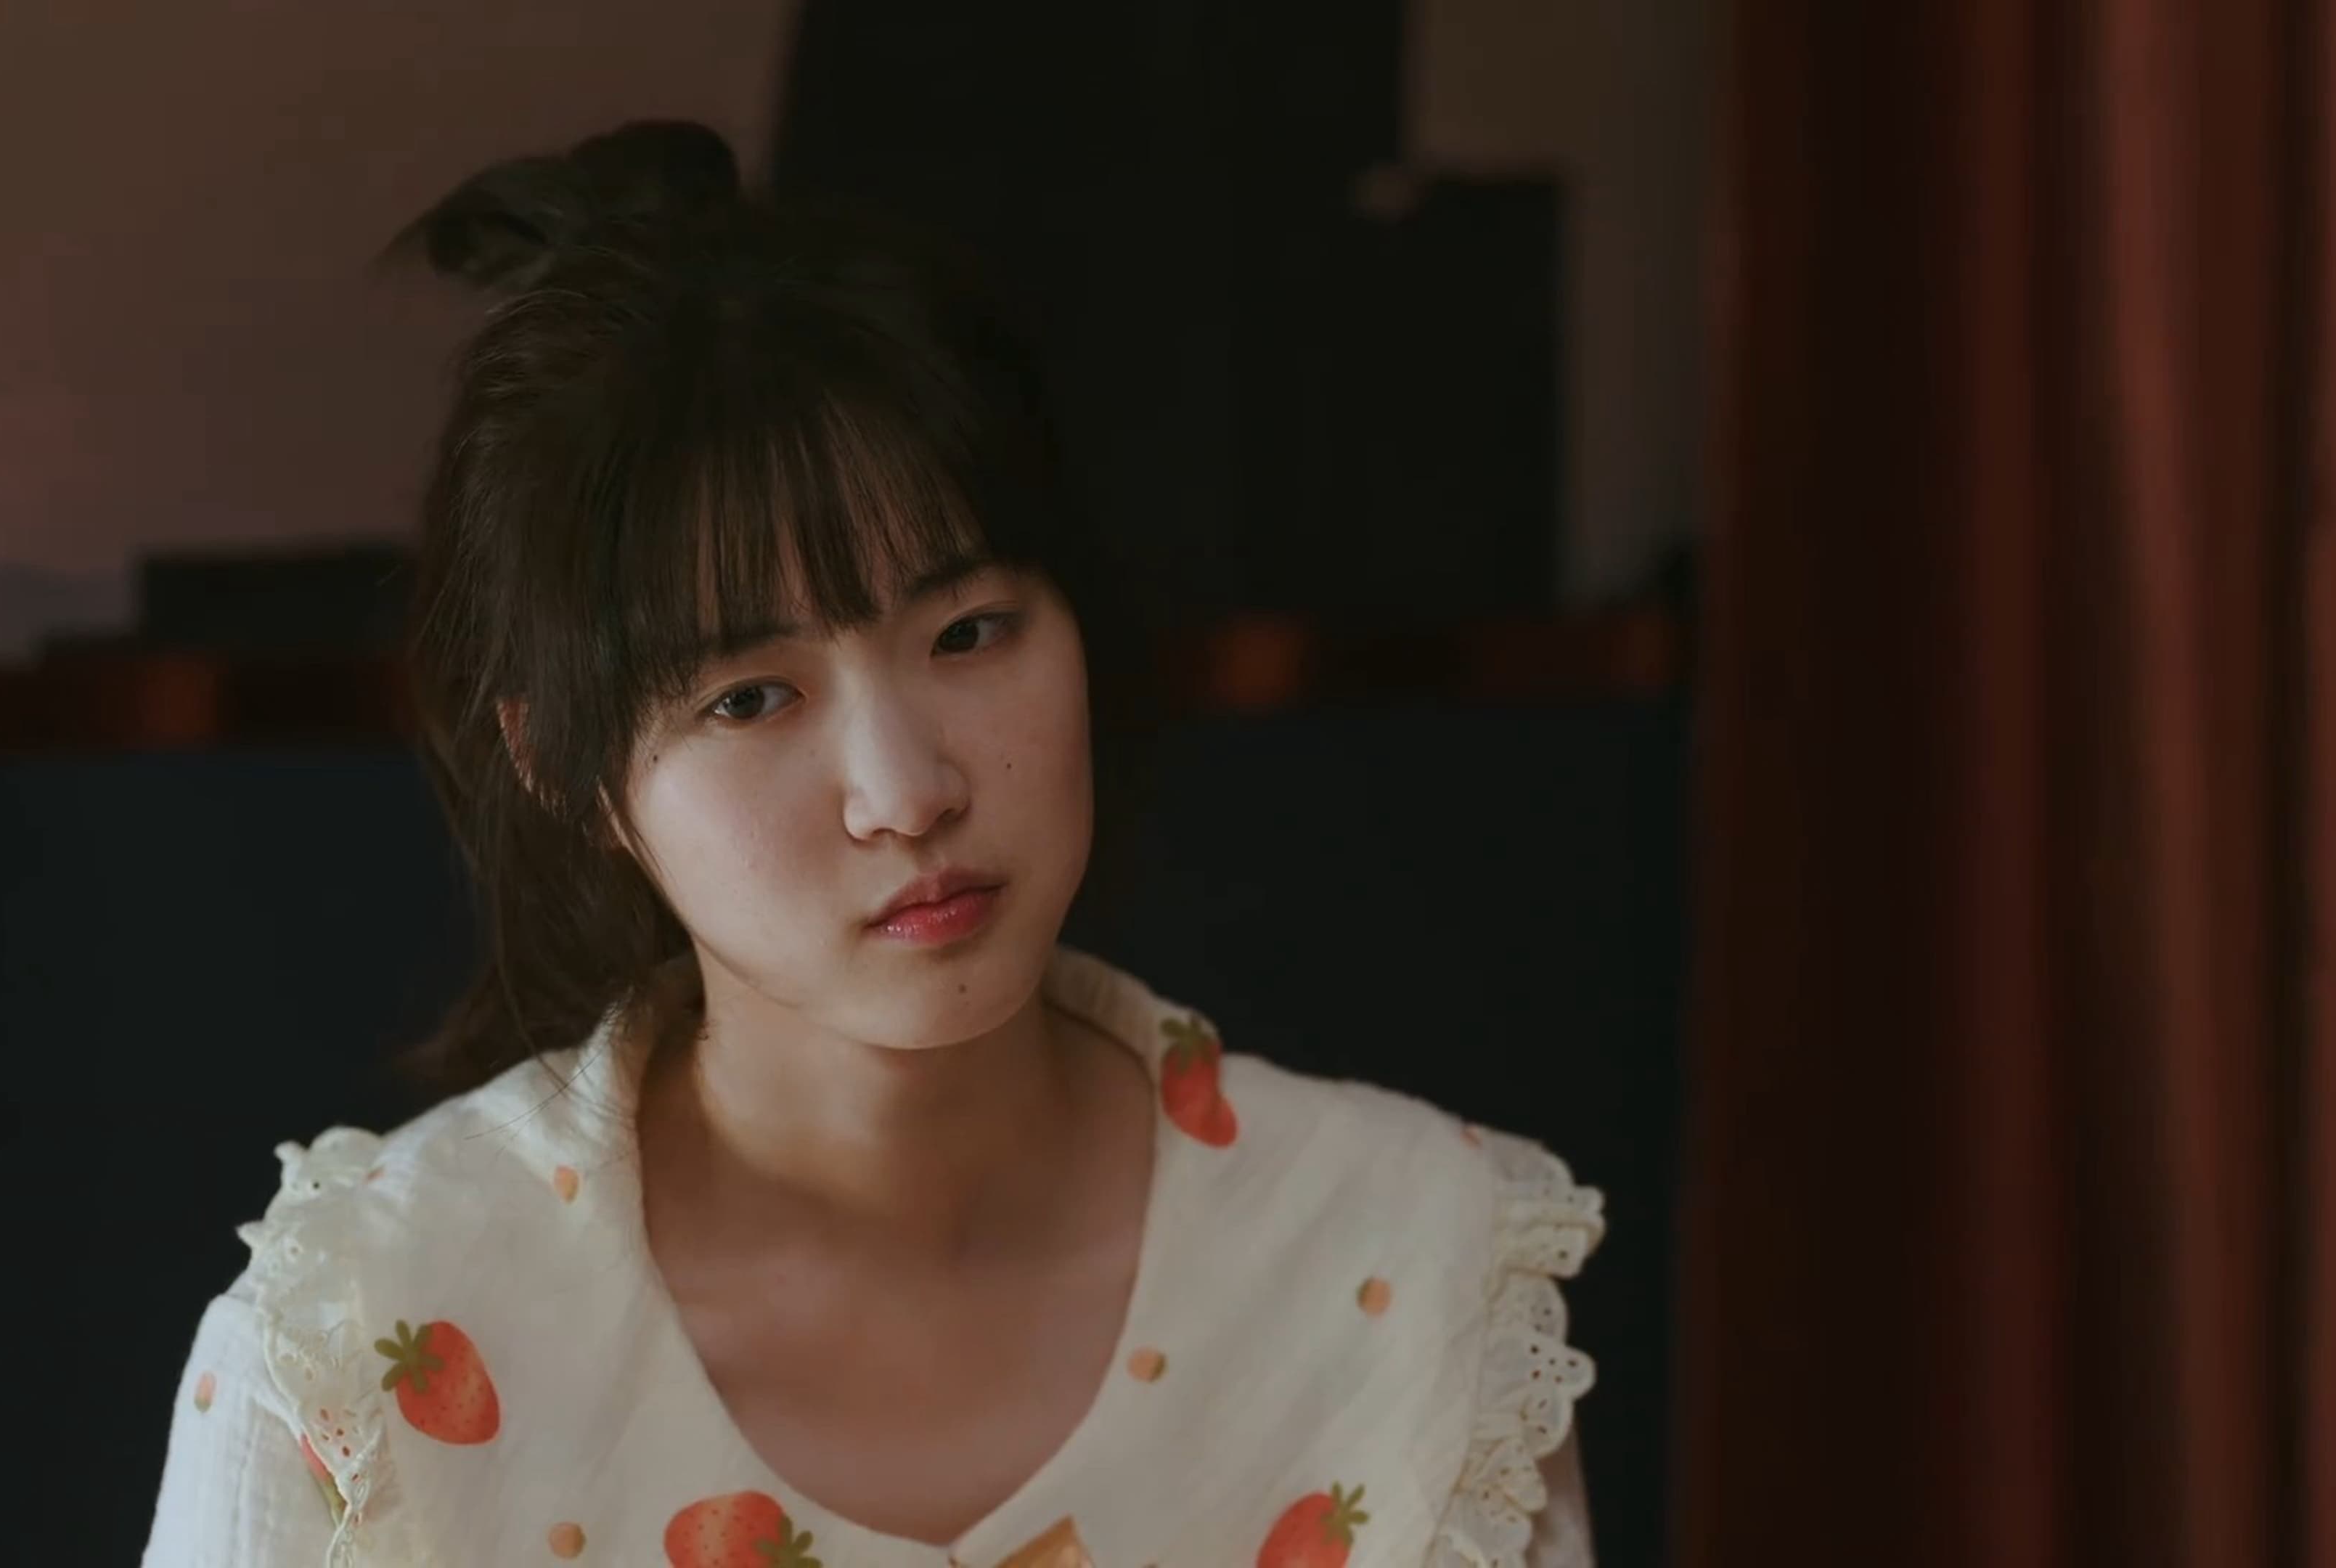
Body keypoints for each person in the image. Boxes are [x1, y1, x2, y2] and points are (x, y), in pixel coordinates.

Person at [141, 120, 1604, 1568]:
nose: (905, 792)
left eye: (969, 633)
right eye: (749, 698)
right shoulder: (357, 1362)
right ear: (564, 770)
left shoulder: (1414, 1275)